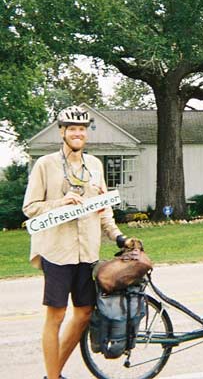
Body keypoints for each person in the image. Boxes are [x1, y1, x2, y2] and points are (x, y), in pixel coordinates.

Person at [23, 105, 134, 379]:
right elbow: (30, 207)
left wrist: (118, 236)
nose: (77, 133)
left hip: (87, 252)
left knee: (84, 312)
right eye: (72, 129)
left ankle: (53, 373)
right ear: (62, 132)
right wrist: (61, 202)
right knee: (57, 315)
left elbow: (103, 208)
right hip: (57, 251)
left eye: (82, 129)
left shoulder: (94, 166)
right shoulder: (45, 165)